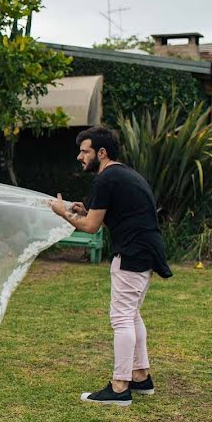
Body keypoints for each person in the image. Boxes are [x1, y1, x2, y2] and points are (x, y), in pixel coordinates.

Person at [48, 126, 172, 406]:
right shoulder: (122, 174)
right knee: (131, 314)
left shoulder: (107, 178)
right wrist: (83, 209)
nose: (79, 156)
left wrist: (64, 213)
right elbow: (109, 216)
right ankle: (141, 377)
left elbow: (91, 228)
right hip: (145, 250)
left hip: (132, 253)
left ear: (101, 153)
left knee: (121, 318)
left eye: (84, 151)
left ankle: (119, 388)